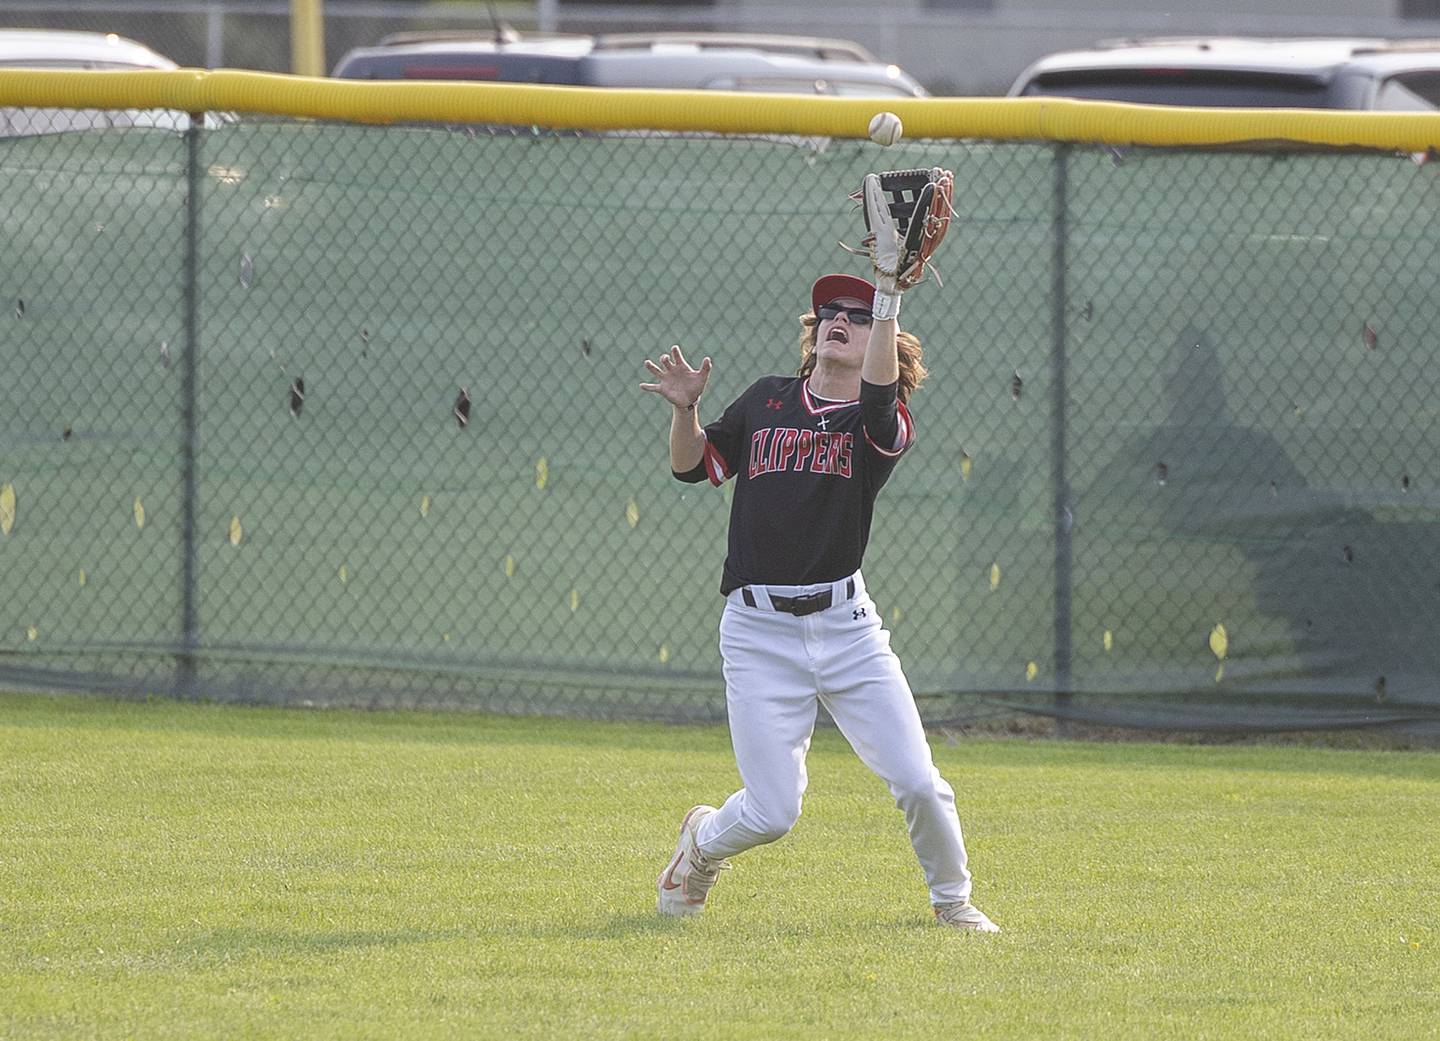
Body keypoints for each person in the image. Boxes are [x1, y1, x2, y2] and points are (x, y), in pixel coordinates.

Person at [639, 217, 1000, 932]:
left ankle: (952, 902)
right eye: (831, 313)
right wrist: (687, 411)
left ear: (884, 346)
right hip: (758, 630)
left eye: (858, 317)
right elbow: (693, 466)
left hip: (847, 628)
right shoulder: (769, 397)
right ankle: (701, 844)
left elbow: (877, 403)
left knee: (920, 781)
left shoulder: (881, 420)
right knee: (773, 811)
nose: (839, 319)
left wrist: (891, 296)